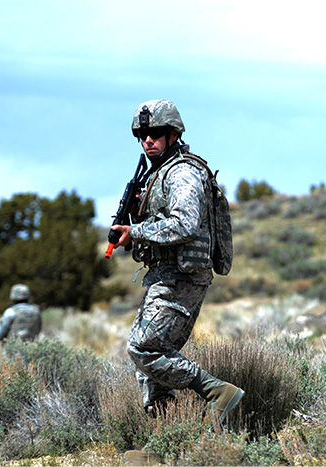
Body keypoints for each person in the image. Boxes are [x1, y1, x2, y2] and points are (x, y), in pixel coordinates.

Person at [109, 99, 244, 423]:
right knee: (149, 367)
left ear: (172, 134)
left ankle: (218, 392)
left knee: (144, 349)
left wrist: (137, 232)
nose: (147, 141)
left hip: (182, 276)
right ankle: (165, 439)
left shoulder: (182, 172)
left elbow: (185, 223)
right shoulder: (161, 172)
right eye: (142, 135)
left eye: (155, 133)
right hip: (166, 274)